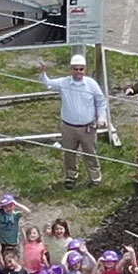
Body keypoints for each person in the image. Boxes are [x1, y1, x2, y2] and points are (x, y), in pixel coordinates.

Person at [37, 53, 111, 187]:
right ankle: (71, 177)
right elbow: (47, 84)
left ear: (85, 69)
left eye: (81, 69)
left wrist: (101, 117)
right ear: (70, 70)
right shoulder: (64, 83)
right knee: (69, 154)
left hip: (87, 128)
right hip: (68, 127)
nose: (78, 72)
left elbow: (101, 102)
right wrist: (43, 73)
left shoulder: (91, 84)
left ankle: (95, 178)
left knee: (90, 153)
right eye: (75, 69)